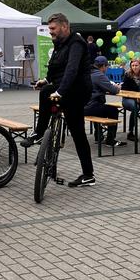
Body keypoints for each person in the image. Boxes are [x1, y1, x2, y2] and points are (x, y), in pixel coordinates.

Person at [25, 13, 95, 187]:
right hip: (62, 88)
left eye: (53, 29)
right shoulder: (59, 43)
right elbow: (54, 65)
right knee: (46, 91)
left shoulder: (76, 43)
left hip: (77, 90)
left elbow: (71, 70)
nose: (50, 32)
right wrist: (47, 80)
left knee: (77, 132)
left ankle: (88, 175)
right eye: (49, 29)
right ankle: (40, 134)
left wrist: (60, 92)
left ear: (65, 26)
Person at [84, 56, 124, 147]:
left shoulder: (87, 72)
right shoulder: (99, 75)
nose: (107, 69)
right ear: (103, 66)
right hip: (90, 107)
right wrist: (118, 87)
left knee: (100, 108)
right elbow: (114, 90)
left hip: (81, 106)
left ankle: (98, 136)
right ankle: (110, 140)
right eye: (107, 67)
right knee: (113, 110)